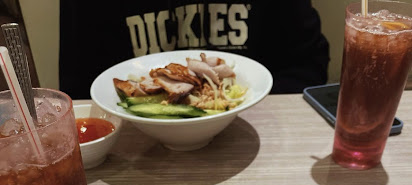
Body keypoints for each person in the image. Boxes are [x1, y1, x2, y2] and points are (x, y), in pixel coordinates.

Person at [59, 0, 329, 99]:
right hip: (132, 150)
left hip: (256, 136)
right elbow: (81, 87)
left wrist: (244, 102)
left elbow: (307, 66)